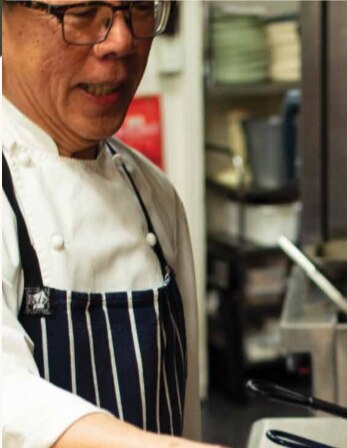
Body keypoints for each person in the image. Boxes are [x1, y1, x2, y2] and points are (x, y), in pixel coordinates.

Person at [2, 1, 225, 447]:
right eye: (83, 11)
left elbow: (183, 417)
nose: (121, 40)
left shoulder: (155, 197)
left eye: (139, 7)